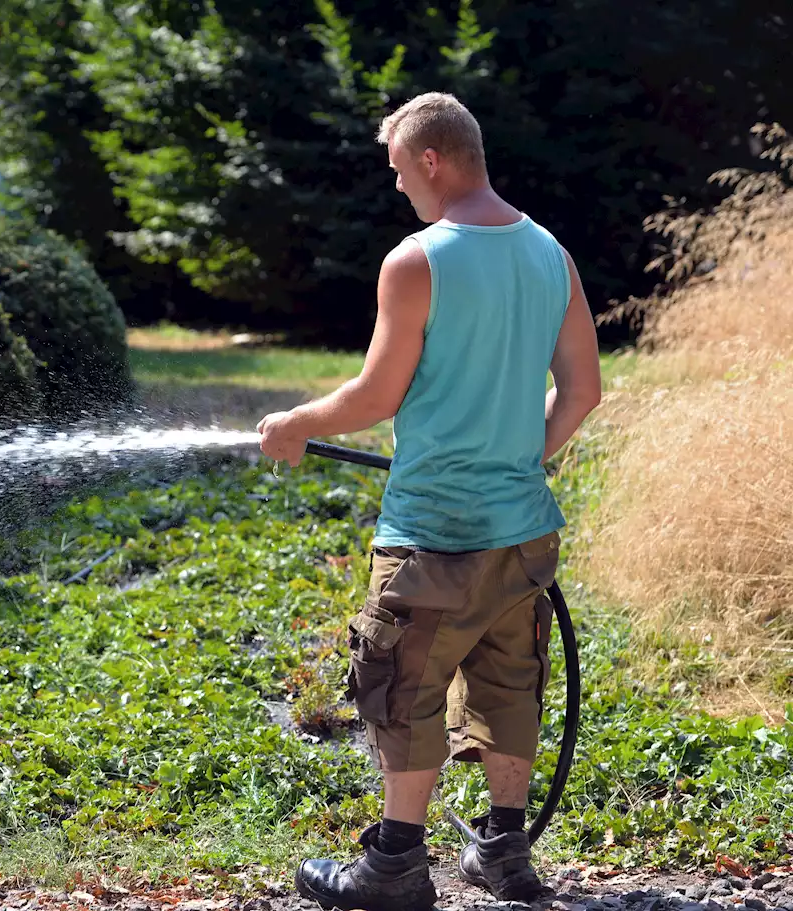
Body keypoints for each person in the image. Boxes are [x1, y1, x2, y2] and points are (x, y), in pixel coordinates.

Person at [257, 91, 602, 911]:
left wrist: (293, 424)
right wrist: (516, 462)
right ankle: (505, 853)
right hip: (522, 535)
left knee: (400, 689)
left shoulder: (418, 259)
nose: (399, 189)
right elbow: (583, 391)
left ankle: (396, 868)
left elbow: (377, 394)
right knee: (509, 682)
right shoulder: (551, 252)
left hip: (433, 537)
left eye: (400, 172)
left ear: (432, 160)